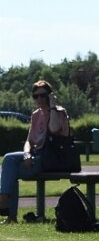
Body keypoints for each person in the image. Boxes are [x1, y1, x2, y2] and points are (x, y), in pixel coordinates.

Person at [0, 80, 70, 223]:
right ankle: (7, 208)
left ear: (50, 96)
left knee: (10, 171)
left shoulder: (59, 112)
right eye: (36, 96)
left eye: (43, 95)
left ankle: (5, 204)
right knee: (9, 161)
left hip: (52, 158)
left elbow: (55, 129)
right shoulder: (35, 115)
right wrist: (26, 154)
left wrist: (52, 108)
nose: (39, 99)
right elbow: (28, 141)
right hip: (37, 155)